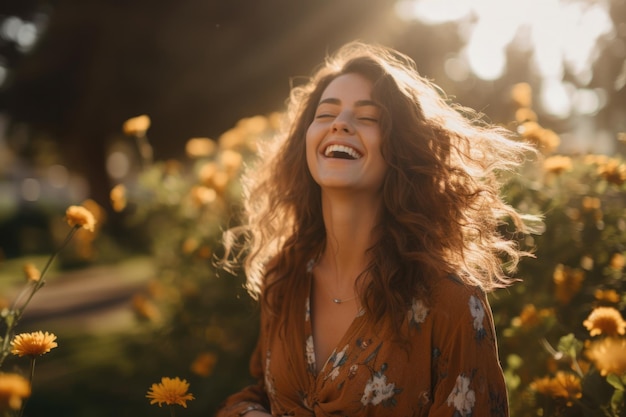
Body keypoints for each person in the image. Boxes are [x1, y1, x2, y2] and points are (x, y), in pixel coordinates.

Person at [216, 41, 537, 417]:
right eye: (326, 114)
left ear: (400, 149)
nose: (340, 123)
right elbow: (264, 394)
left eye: (367, 118)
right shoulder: (283, 277)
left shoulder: (451, 302)